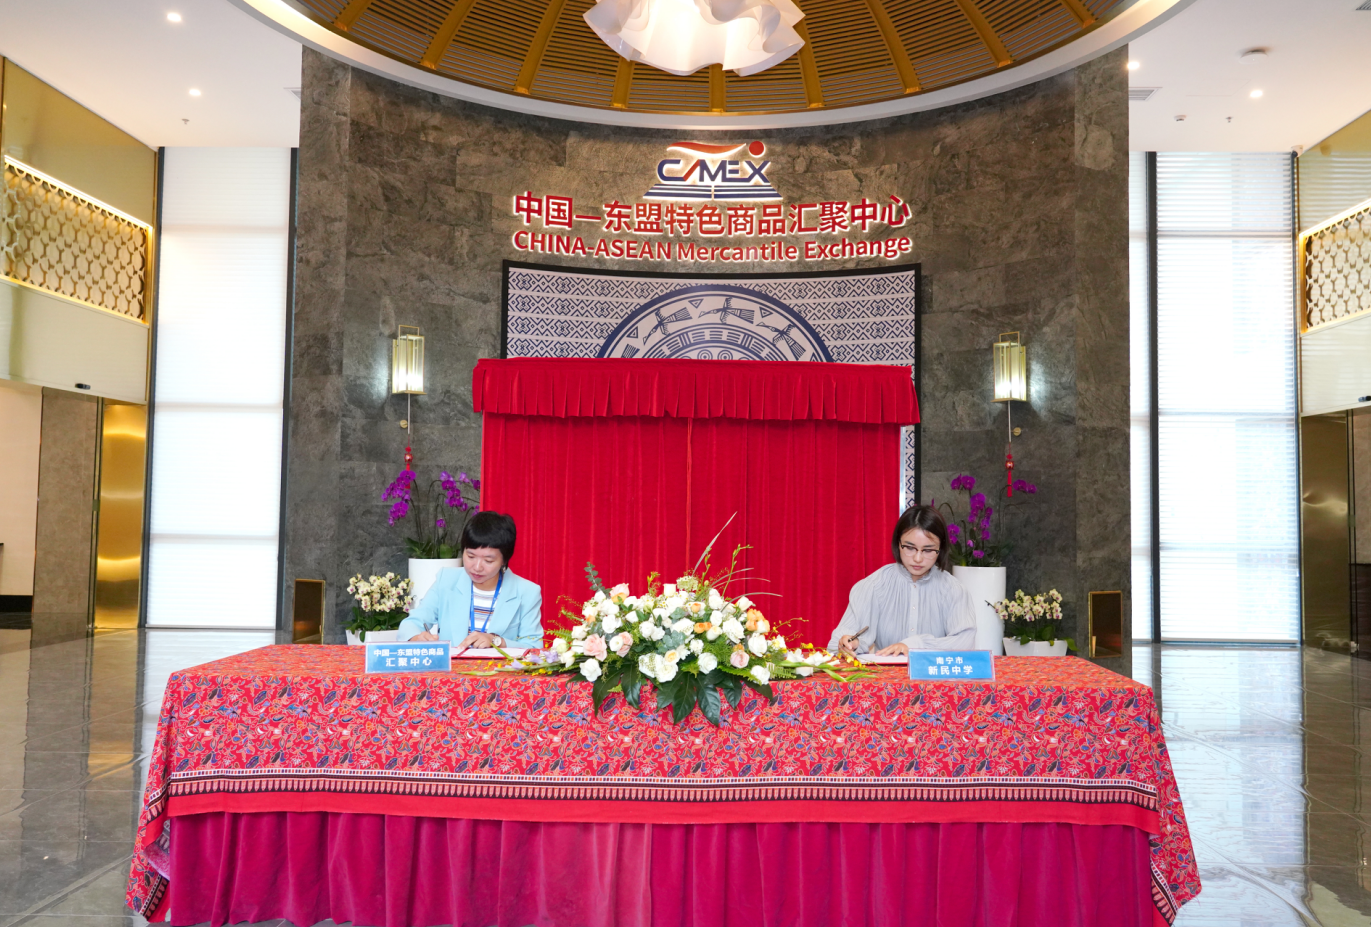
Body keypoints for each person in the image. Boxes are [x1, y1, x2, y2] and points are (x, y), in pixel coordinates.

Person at [828, 504, 977, 656]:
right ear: (898, 544)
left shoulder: (953, 590)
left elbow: (965, 643)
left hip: (933, 671)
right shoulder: (874, 585)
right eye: (910, 547)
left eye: (928, 550)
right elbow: (838, 643)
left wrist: (917, 644)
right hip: (886, 672)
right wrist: (849, 643)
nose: (918, 558)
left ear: (941, 549)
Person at [398, 511, 543, 649]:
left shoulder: (526, 592)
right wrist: (416, 637)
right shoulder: (446, 580)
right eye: (471, 556)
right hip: (451, 667)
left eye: (488, 560)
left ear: (504, 560)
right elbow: (412, 623)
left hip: (498, 667)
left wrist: (497, 641)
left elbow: (534, 647)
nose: (477, 567)